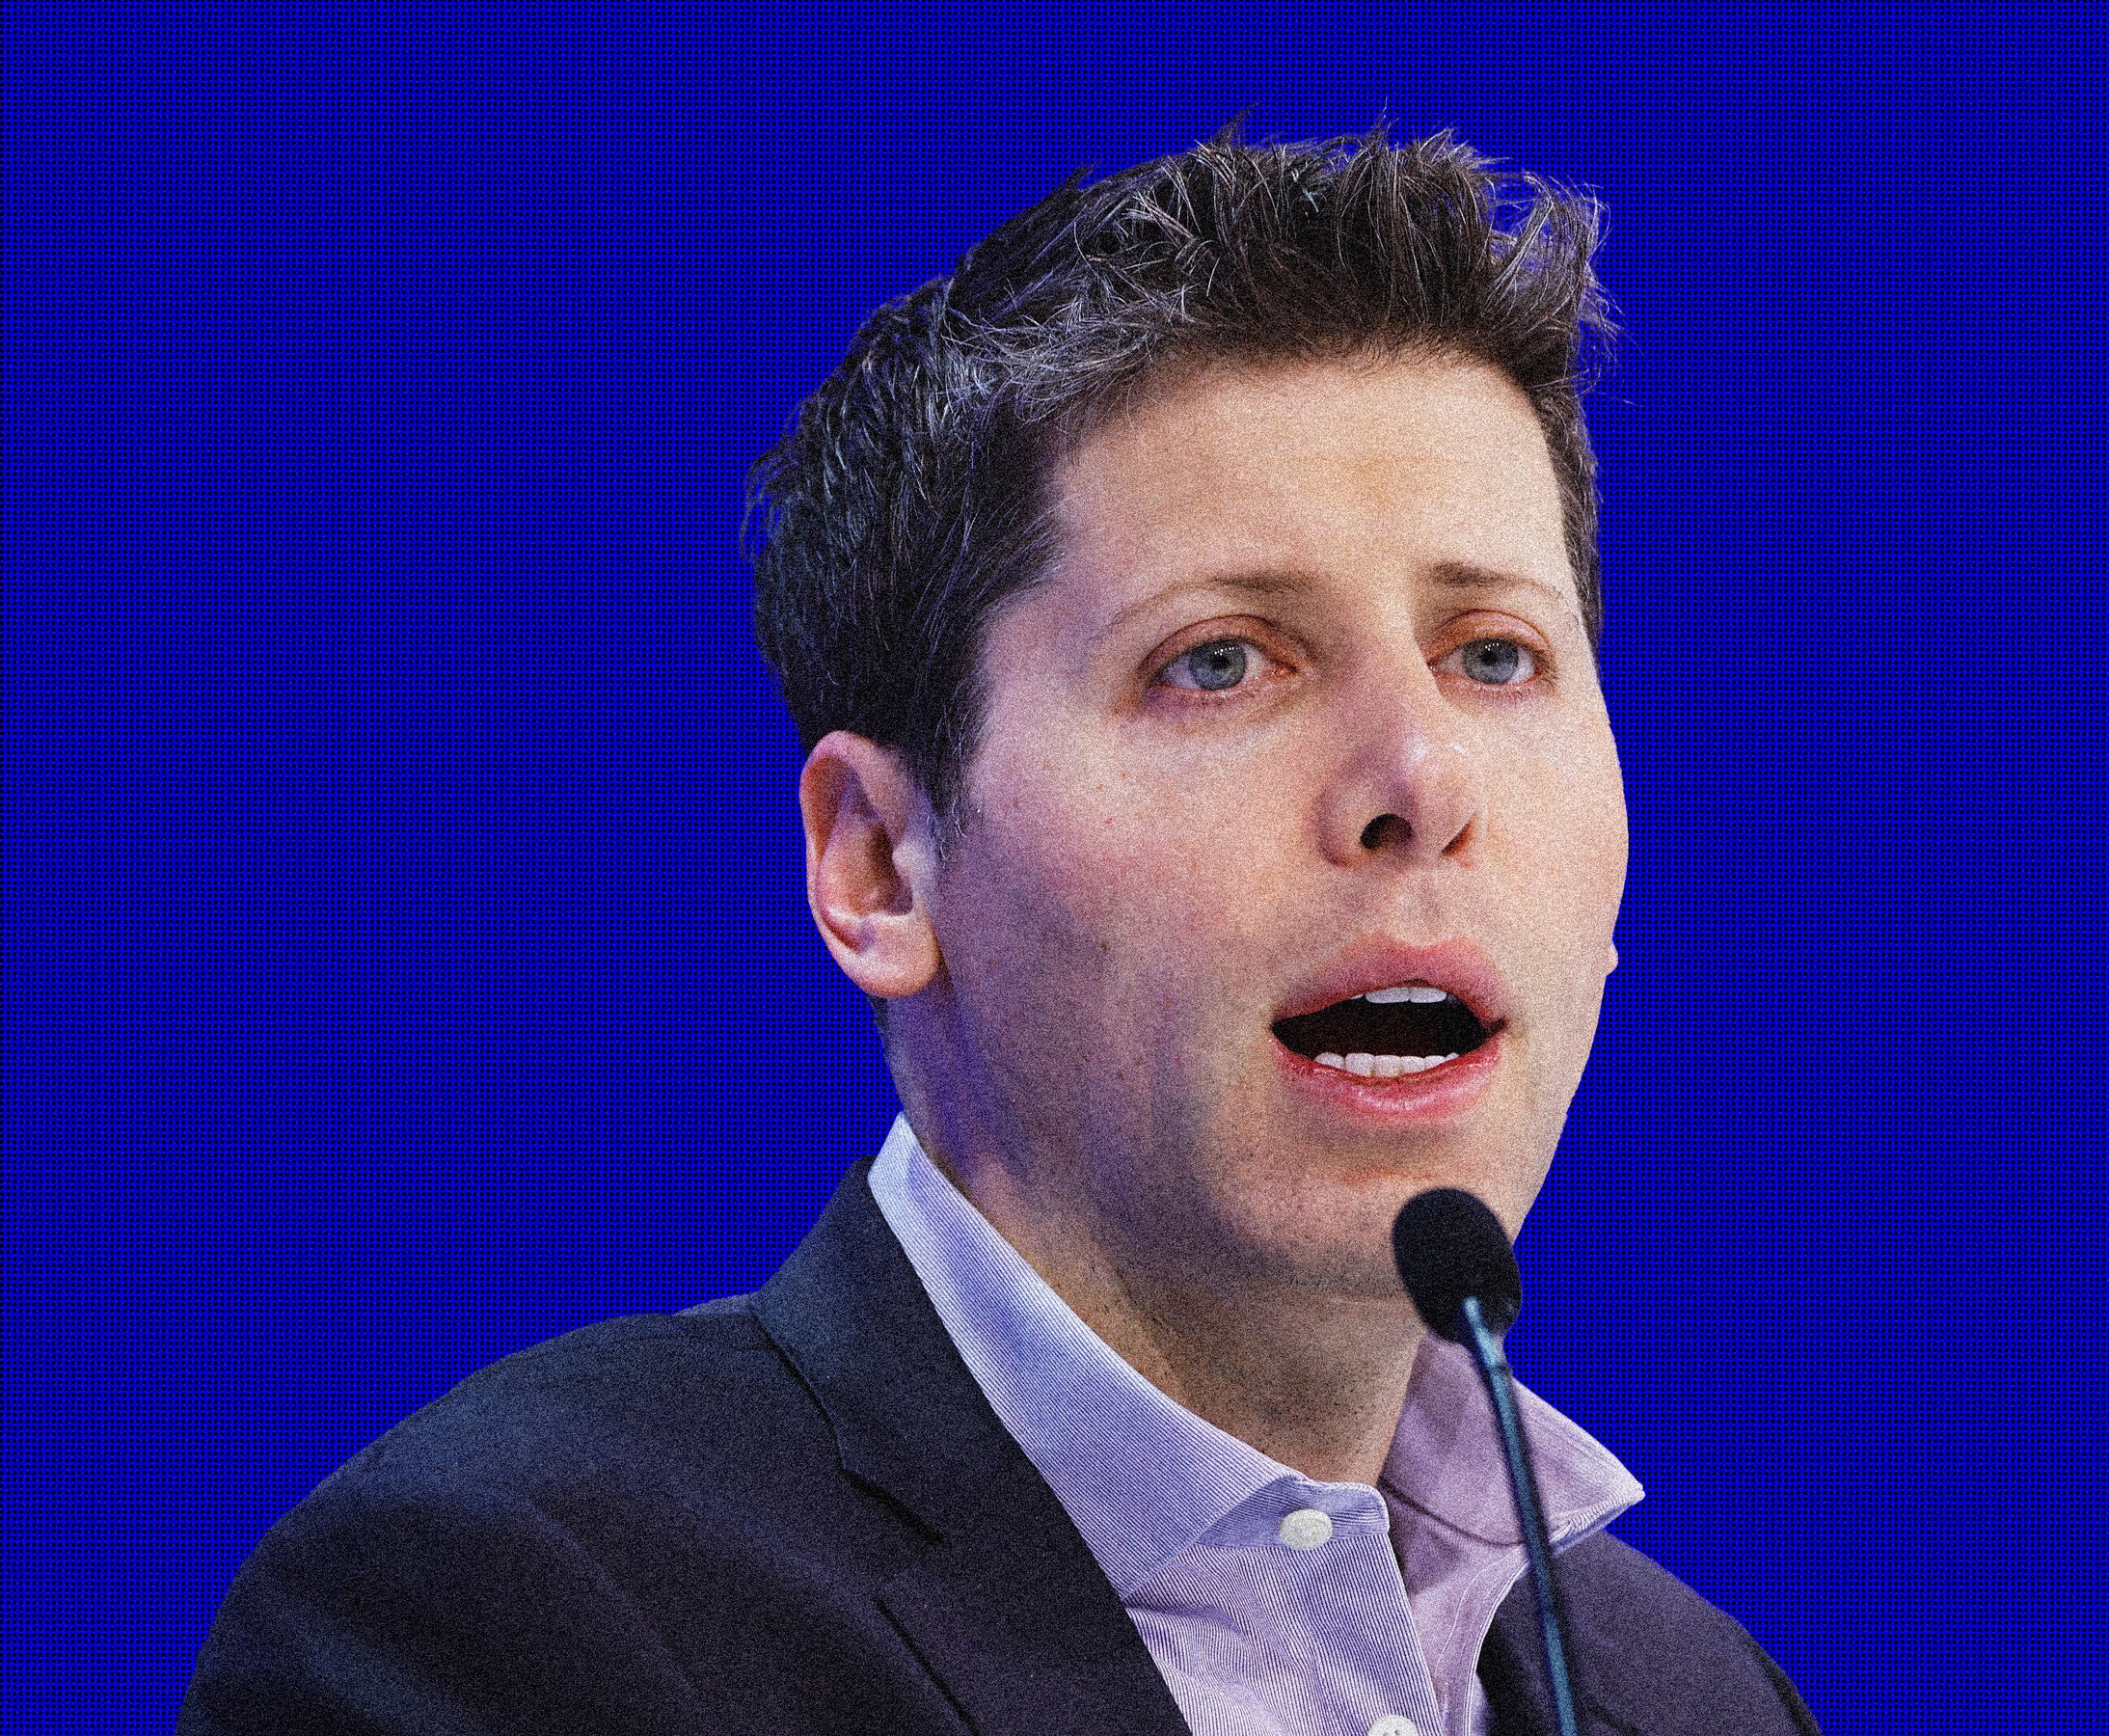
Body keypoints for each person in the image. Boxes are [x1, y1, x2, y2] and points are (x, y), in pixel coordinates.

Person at [181, 125, 1818, 1736]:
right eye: (1223, 661)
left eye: (1494, 655)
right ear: (883, 865)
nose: (1419, 780)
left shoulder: (1690, 1696)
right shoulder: (523, 1622)